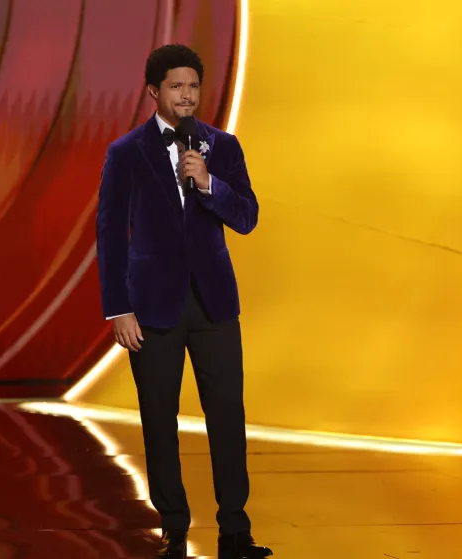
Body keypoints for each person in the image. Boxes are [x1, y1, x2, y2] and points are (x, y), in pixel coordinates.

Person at [95, 44, 272, 559]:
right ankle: (173, 526)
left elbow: (247, 216)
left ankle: (234, 527)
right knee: (158, 418)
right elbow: (110, 235)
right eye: (177, 86)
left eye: (193, 85)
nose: (187, 95)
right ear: (154, 91)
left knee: (226, 414)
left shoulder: (223, 147)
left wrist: (208, 181)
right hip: (151, 308)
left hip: (215, 305)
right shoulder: (126, 152)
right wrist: (117, 308)